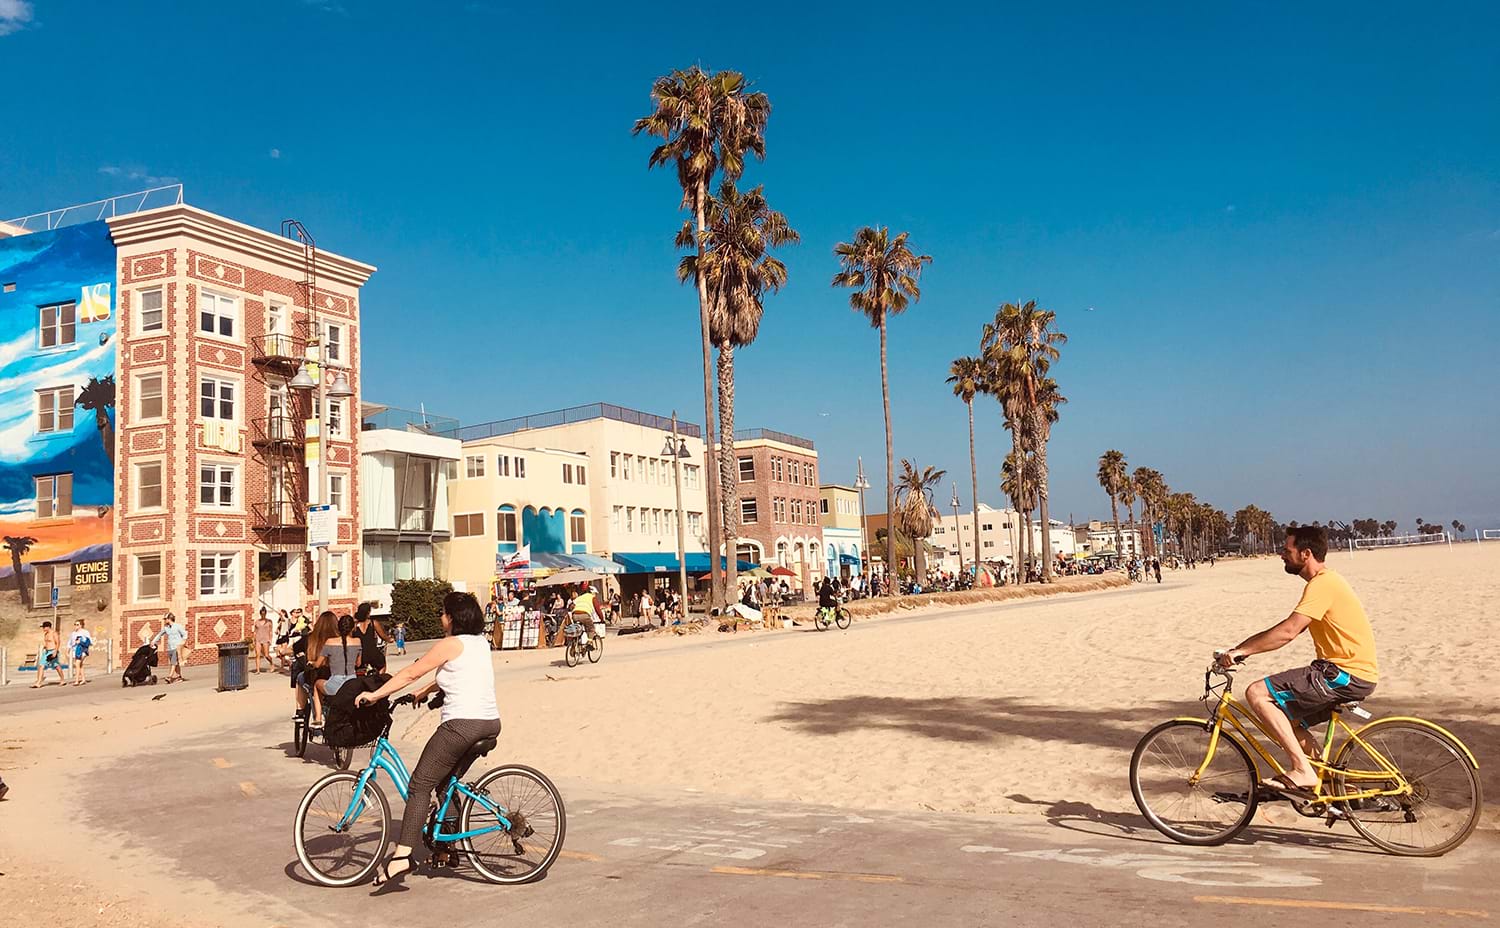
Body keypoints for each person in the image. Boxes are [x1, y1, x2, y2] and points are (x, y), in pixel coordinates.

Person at [1215, 525, 1378, 794]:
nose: (1281, 554)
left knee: (1257, 693)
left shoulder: (1323, 584)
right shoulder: (1327, 581)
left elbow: (1288, 632)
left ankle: (1303, 771)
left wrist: (1241, 652)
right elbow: (1288, 629)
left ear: (1305, 554)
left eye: (1286, 550)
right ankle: (1335, 787)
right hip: (1350, 673)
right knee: (1286, 720)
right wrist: (1240, 648)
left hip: (1342, 674)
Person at [355, 592, 500, 888]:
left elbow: (409, 672)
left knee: (420, 784)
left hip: (461, 726)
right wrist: (424, 693)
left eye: (444, 613)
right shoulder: (480, 643)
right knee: (446, 783)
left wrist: (376, 695)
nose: (440, 617)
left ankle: (402, 856)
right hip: (489, 723)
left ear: (453, 617)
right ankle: (447, 847)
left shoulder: (449, 644)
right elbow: (456, 675)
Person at [149, 613, 188, 683]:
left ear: (169, 619)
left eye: (165, 619)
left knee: (173, 663)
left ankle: (169, 677)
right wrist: (153, 642)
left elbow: (185, 634)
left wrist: (183, 642)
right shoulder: (166, 628)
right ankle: (179, 677)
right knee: (175, 663)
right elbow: (159, 634)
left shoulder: (178, 626)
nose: (165, 620)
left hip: (177, 647)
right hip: (170, 648)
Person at [354, 603, 390, 673]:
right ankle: (380, 678)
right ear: (368, 612)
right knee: (382, 665)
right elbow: (383, 636)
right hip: (372, 652)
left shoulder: (355, 625)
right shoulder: (373, 623)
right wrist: (389, 639)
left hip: (360, 654)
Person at [31, 621, 66, 688]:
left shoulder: (54, 633)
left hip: (53, 651)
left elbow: (58, 642)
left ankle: (62, 679)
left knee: (56, 666)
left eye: (44, 627)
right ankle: (38, 682)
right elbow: (47, 642)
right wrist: (45, 646)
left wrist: (55, 652)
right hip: (46, 652)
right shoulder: (46, 634)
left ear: (48, 627)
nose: (43, 629)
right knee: (41, 665)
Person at [67, 619, 93, 686]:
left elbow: (90, 641)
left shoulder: (85, 632)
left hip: (82, 650)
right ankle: (83, 679)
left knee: (77, 664)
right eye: (75, 624)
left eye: (77, 624)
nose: (76, 626)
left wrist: (81, 642)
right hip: (75, 650)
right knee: (80, 665)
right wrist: (68, 651)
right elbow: (70, 643)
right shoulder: (73, 633)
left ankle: (77, 680)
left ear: (81, 625)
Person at [252, 607, 276, 673]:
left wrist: (270, 639)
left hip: (265, 639)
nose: (263, 615)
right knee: (257, 655)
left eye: (264, 614)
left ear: (265, 614)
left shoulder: (269, 621)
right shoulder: (257, 622)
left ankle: (272, 663)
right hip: (258, 639)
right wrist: (254, 640)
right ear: (260, 614)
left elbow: (271, 631)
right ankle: (258, 670)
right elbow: (255, 631)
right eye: (262, 614)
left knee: (266, 655)